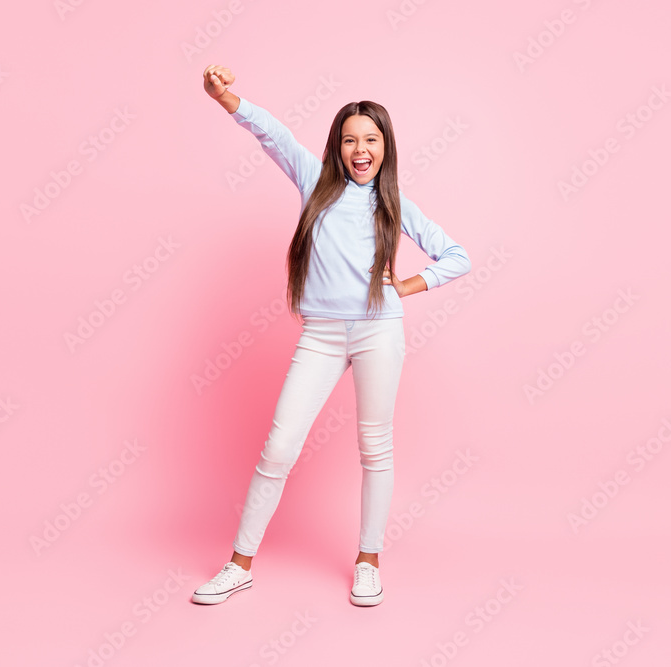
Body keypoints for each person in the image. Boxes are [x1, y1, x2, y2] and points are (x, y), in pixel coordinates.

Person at [192, 64, 472, 607]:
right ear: (337, 148)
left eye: (371, 139)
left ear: (385, 147)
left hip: (378, 333)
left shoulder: (393, 205)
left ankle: (368, 562)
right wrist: (227, 97)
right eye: (350, 140)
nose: (360, 149)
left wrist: (407, 284)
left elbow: (457, 256)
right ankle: (239, 564)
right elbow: (271, 133)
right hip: (319, 335)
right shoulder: (312, 181)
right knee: (278, 447)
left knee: (375, 448)